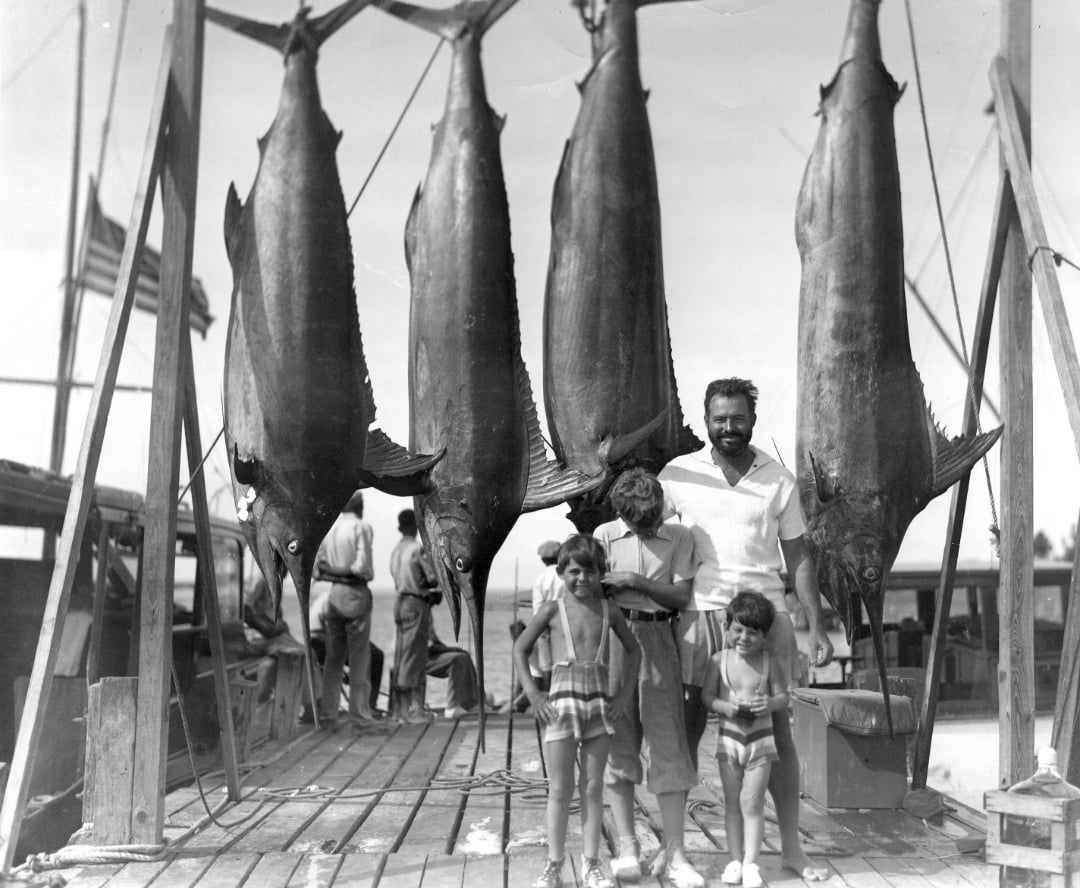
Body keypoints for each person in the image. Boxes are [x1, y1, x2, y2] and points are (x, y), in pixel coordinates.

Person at [659, 377, 834, 882]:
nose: (728, 428)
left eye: (737, 418)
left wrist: (816, 625)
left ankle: (792, 850)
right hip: (700, 613)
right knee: (687, 727)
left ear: (752, 420)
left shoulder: (779, 478)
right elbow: (652, 537)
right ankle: (676, 851)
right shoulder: (678, 474)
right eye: (719, 419)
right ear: (707, 419)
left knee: (777, 732)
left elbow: (798, 556)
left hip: (768, 617)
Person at [593, 468, 704, 888]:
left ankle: (675, 852)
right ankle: (627, 846)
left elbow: (681, 595)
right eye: (640, 522)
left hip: (659, 636)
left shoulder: (679, 537)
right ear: (621, 514)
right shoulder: (603, 537)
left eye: (654, 518)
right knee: (619, 743)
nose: (649, 527)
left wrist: (635, 582)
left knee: (669, 742)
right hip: (615, 640)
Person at [513, 534, 641, 888]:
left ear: (601, 573)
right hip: (561, 708)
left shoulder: (609, 610)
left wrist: (623, 695)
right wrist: (533, 695)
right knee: (559, 788)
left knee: (593, 787)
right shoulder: (552, 610)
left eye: (589, 572)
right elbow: (521, 649)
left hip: (598, 708)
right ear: (560, 572)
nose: (581, 579)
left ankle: (591, 863)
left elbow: (634, 652)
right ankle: (553, 864)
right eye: (573, 572)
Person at [701, 592, 789, 888]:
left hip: (761, 744)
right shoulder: (718, 661)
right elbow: (707, 696)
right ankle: (735, 859)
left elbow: (784, 697)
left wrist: (771, 704)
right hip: (729, 743)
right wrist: (721, 706)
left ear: (764, 636)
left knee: (751, 802)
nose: (744, 637)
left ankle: (752, 863)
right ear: (726, 628)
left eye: (753, 632)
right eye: (738, 630)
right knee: (731, 804)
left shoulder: (769, 662)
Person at [313, 490, 382, 732]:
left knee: (334, 660)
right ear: (360, 505)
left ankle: (328, 715)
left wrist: (332, 571)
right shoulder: (361, 527)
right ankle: (360, 717)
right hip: (354, 594)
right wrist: (345, 570)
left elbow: (318, 569)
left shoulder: (329, 528)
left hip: (334, 596)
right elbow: (362, 568)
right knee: (360, 660)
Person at [389, 508, 441, 723]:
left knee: (401, 657)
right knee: (414, 659)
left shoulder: (396, 550)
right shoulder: (416, 549)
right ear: (416, 526)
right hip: (415, 603)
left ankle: (399, 711)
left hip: (399, 602)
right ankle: (414, 712)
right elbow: (431, 578)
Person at [427, 621, 480, 718]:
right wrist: (451, 650)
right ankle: (452, 706)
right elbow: (430, 647)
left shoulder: (426, 612)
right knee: (459, 658)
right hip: (419, 657)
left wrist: (452, 649)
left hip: (429, 654)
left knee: (465, 655)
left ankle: (471, 703)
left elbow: (435, 641)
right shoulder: (419, 611)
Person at [531, 539, 564, 692]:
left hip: (544, 625)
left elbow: (537, 608)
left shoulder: (540, 579)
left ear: (543, 559)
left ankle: (547, 700)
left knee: (546, 665)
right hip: (563, 622)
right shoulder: (564, 576)